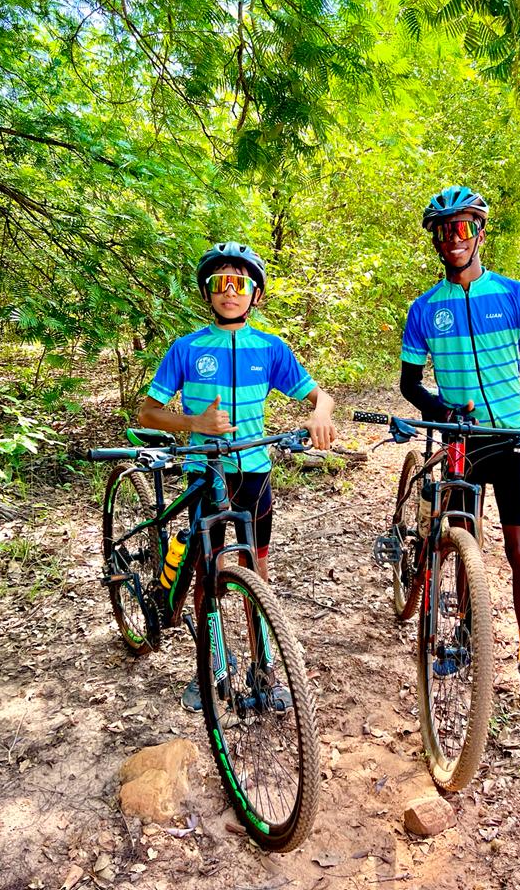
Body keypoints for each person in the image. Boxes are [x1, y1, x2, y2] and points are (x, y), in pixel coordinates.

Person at [400, 186, 520, 702]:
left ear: (480, 233)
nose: (454, 238)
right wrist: (439, 409)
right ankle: (465, 634)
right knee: (463, 541)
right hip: (461, 441)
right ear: (436, 240)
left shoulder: (512, 295)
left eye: (464, 227)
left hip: (511, 438)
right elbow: (410, 383)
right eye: (445, 230)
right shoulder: (424, 309)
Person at [138, 241, 336, 711]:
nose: (231, 291)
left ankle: (263, 666)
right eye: (221, 283)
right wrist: (194, 423)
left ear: (255, 294)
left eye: (240, 284)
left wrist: (320, 414)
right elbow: (148, 413)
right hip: (204, 471)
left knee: (256, 571)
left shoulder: (270, 348)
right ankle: (211, 667)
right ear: (208, 292)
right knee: (206, 573)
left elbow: (320, 396)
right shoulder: (187, 348)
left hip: (254, 474)